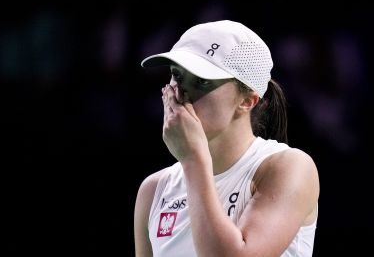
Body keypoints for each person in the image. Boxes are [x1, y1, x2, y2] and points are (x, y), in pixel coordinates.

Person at [134, 20, 320, 257]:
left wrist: (193, 158)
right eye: (176, 75)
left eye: (201, 81)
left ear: (246, 101)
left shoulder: (288, 167)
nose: (180, 94)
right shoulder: (154, 190)